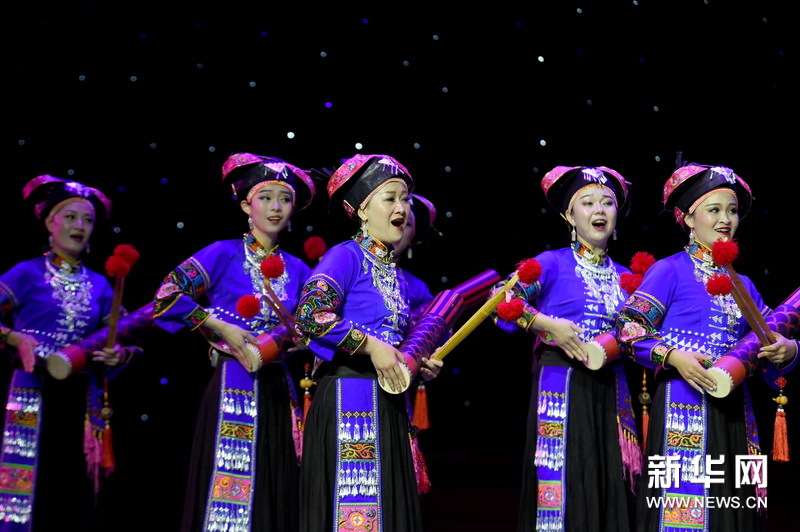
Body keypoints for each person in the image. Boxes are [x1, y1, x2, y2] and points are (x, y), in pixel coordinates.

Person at [615, 161, 798, 532]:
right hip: (683, 403)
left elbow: (769, 343)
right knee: (682, 511)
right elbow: (628, 327)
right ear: (687, 218)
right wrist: (673, 357)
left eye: (732, 211)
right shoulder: (670, 270)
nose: (725, 219)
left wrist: (790, 350)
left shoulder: (744, 284)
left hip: (735, 410)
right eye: (714, 210)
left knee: (735, 510)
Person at [152, 153, 316, 532]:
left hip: (278, 387)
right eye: (265, 198)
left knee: (276, 482)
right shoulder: (222, 253)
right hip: (233, 379)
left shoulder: (300, 269)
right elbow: (164, 298)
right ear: (246, 205)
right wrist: (216, 324)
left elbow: (313, 325)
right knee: (231, 483)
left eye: (285, 199)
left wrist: (301, 340)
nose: (275, 207)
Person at [294, 154, 443, 532]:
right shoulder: (346, 255)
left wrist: (418, 364)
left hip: (389, 402)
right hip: (349, 395)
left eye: (405, 199)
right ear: (361, 210)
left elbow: (396, 342)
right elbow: (309, 315)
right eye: (389, 198)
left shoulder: (394, 273)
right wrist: (372, 346)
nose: (401, 208)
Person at [491, 165, 640, 531]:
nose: (599, 210)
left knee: (608, 479)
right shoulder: (552, 262)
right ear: (569, 216)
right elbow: (500, 299)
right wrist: (545, 324)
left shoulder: (628, 276)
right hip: (562, 384)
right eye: (587, 203)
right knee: (566, 477)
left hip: (611, 389)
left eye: (607, 202)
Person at [0, 175, 135, 531]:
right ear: (49, 222)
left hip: (80, 398)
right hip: (30, 389)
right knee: (27, 481)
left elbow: (123, 338)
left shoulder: (101, 285)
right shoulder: (26, 273)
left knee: (73, 489)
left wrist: (118, 356)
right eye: (71, 217)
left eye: (87, 220)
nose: (80, 226)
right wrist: (15, 338)